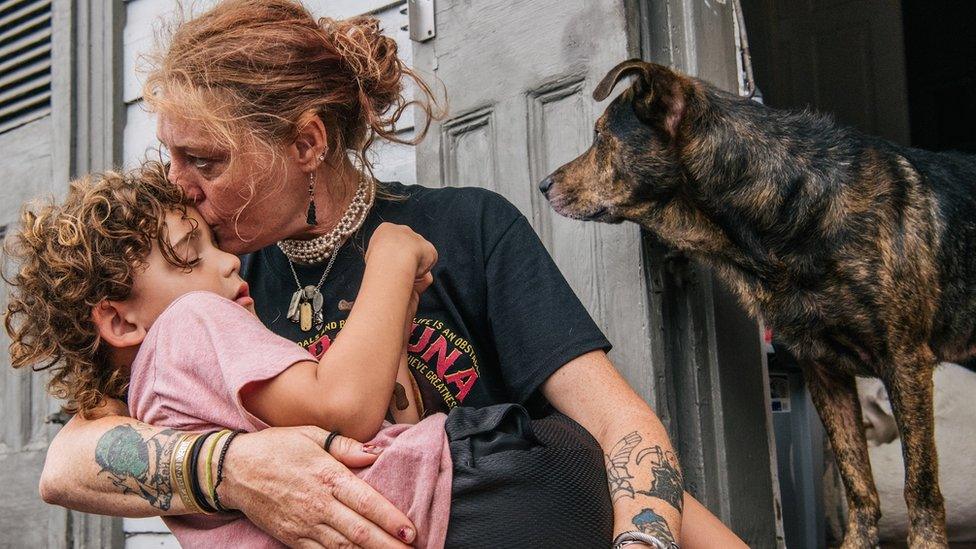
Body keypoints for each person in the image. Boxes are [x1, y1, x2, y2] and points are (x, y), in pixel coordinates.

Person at [26, 0, 745, 547]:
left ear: (306, 141)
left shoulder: (465, 230)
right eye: (172, 156)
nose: (177, 185)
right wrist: (235, 467)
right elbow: (68, 461)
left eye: (204, 160)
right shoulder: (211, 280)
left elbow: (618, 433)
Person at [5, 162, 621, 548]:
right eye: (191, 253)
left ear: (307, 143)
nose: (226, 261)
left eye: (207, 158)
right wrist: (391, 257)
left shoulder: (157, 397)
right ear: (116, 319)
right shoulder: (194, 320)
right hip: (478, 491)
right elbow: (347, 410)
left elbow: (374, 430)